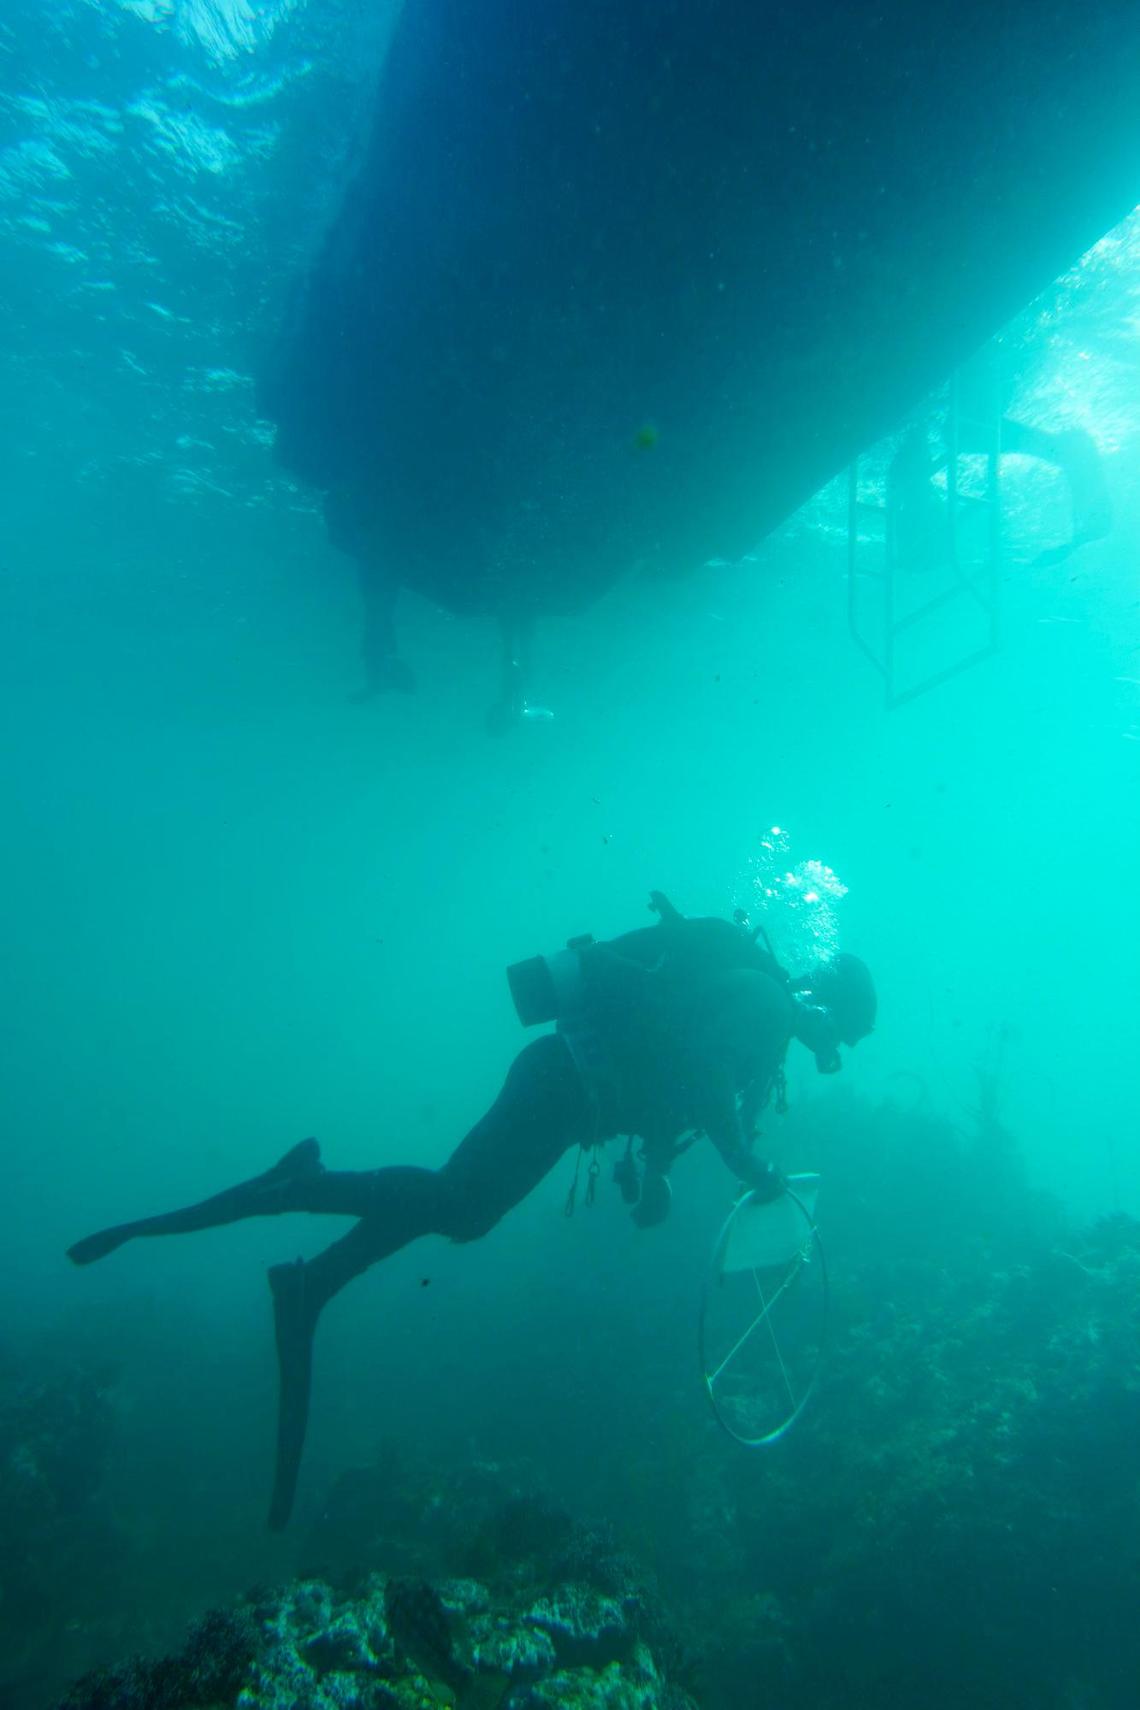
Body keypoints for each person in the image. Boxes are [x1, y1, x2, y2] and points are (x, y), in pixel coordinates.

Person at [66, 892, 875, 1528]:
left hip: (570, 1089)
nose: (830, 1053)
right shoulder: (769, 1004)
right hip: (563, 1085)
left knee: (457, 1207)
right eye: (840, 1036)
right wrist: (749, 1165)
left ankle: (313, 1283)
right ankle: (298, 1187)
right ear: (830, 1008)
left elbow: (674, 1090)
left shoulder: (760, 1020)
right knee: (461, 1207)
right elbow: (699, 1070)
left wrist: (656, 1171)